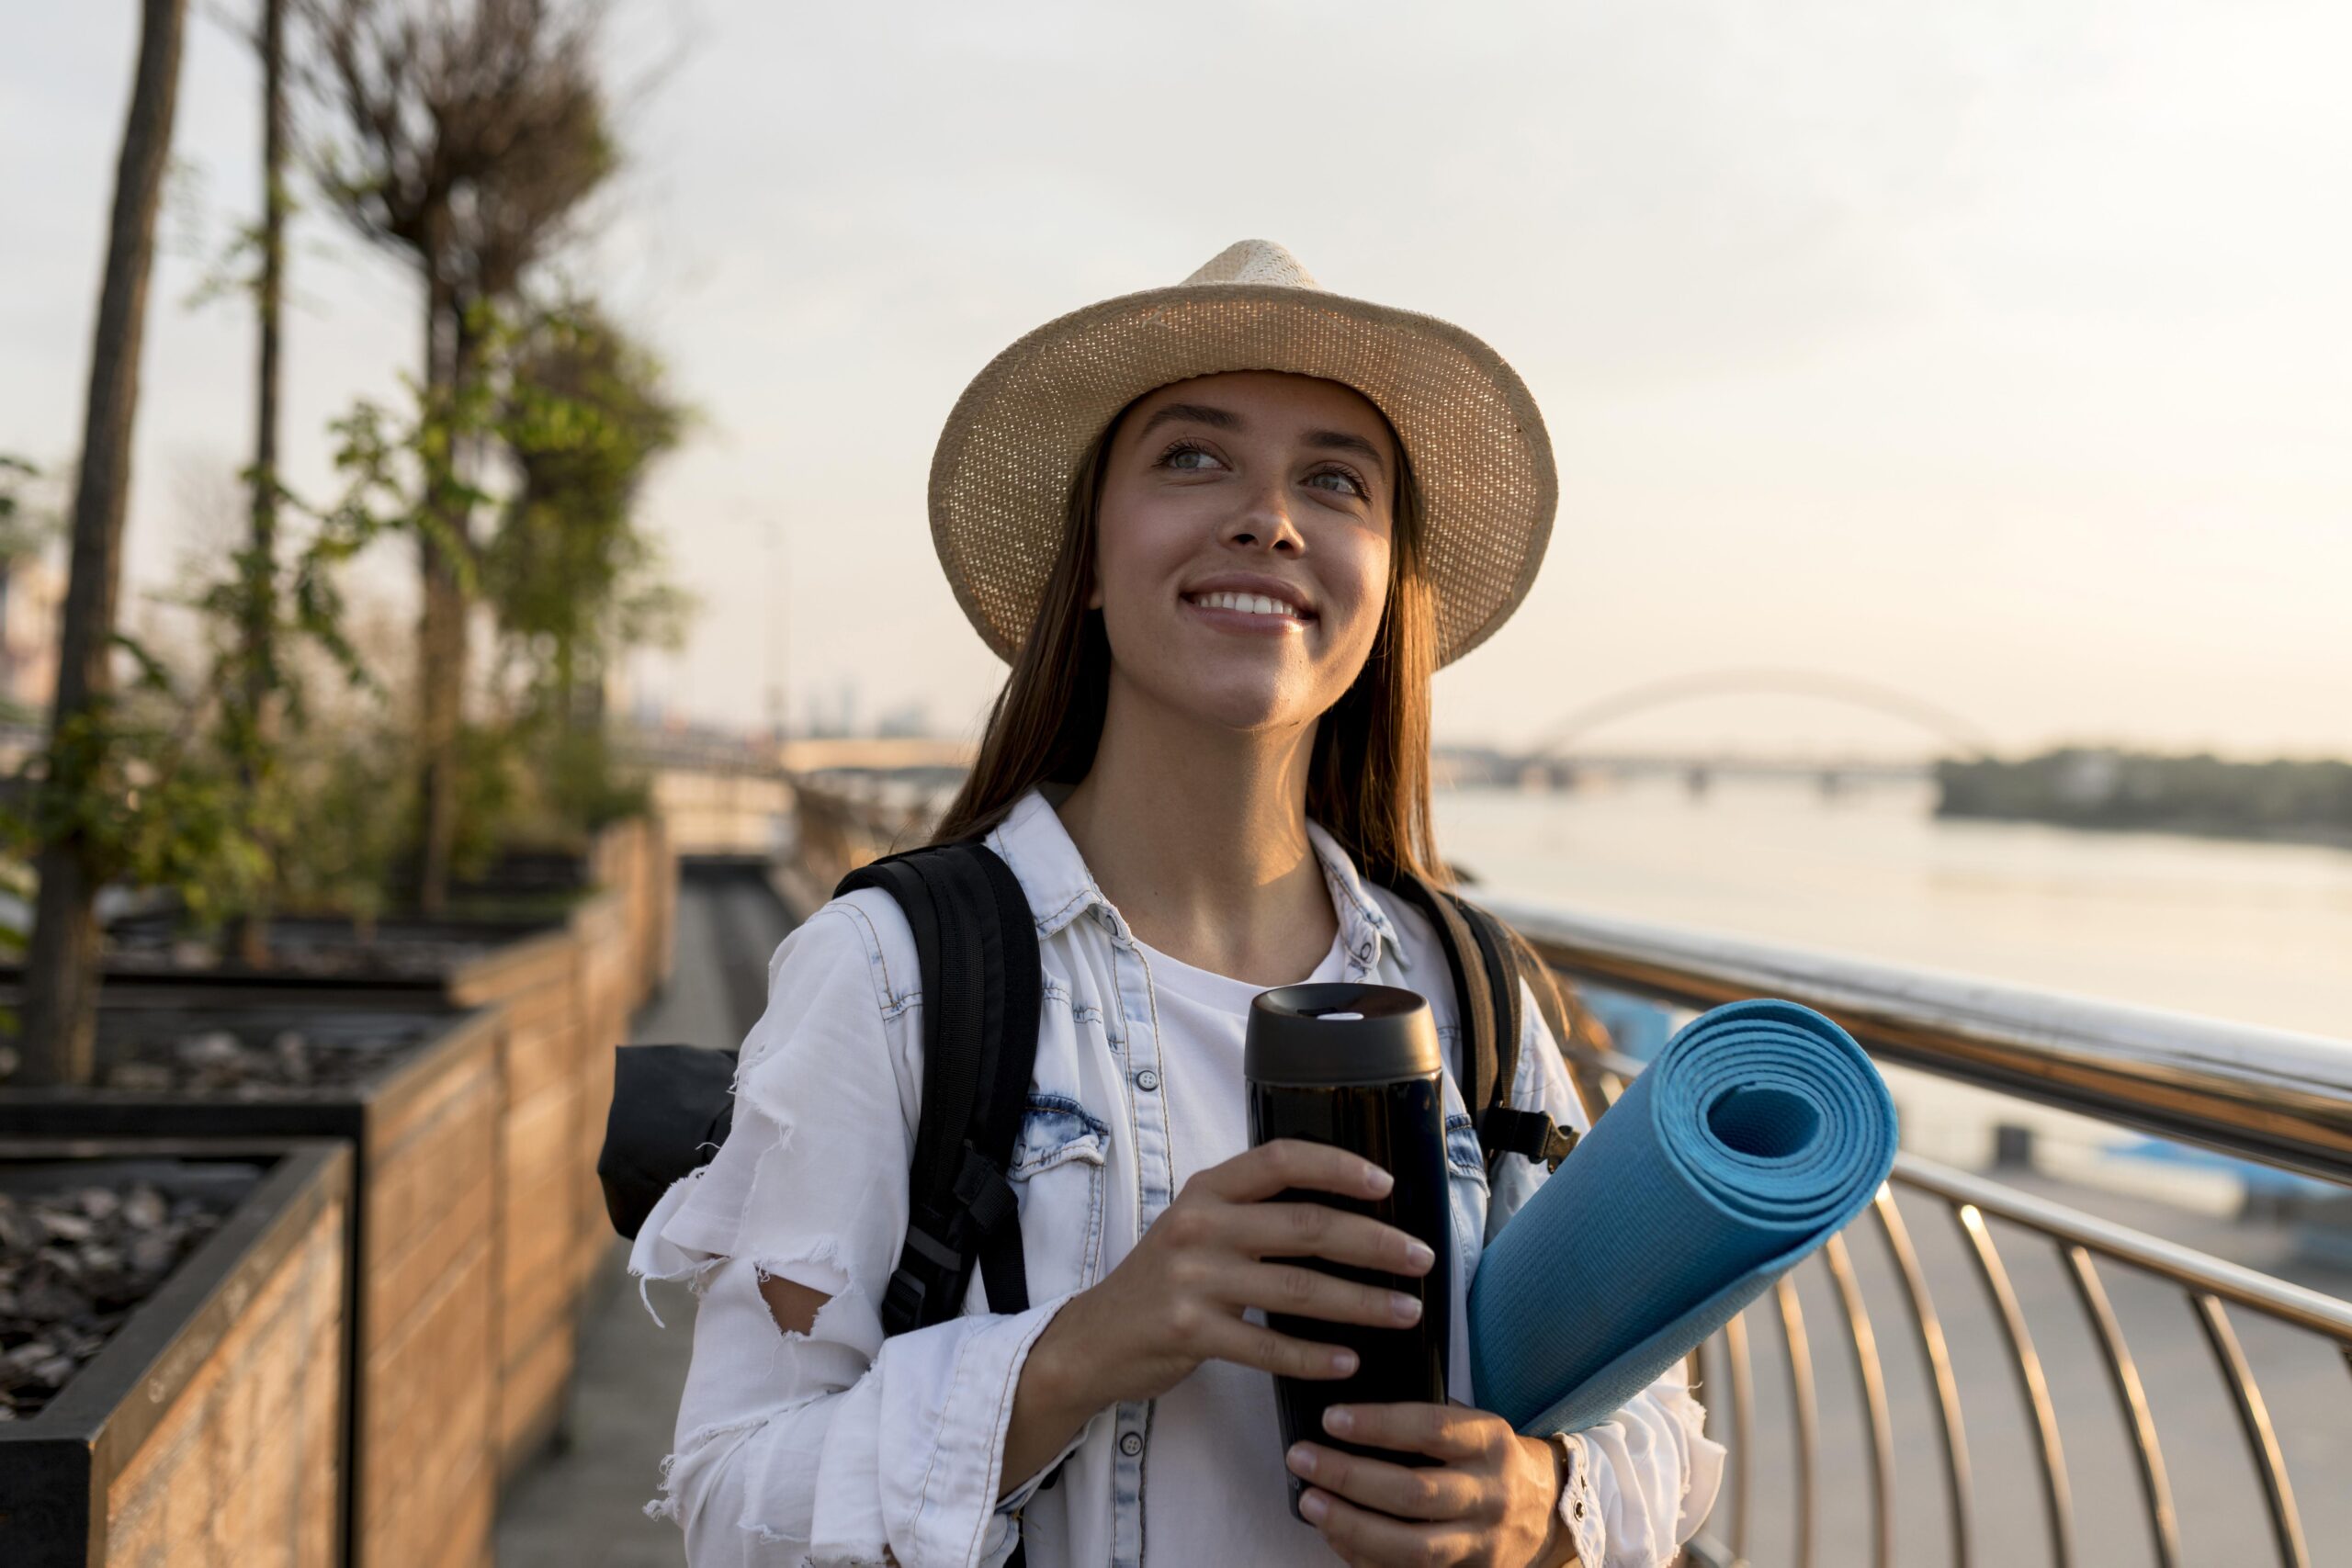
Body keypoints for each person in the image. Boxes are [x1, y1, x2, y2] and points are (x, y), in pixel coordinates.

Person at [633, 240, 1726, 1568]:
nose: (1269, 517)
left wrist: (1535, 1507)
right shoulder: (890, 974)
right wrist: (1084, 1348)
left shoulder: (1472, 988)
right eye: (1193, 459)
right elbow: (732, 1499)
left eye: (1335, 479)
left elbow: (1656, 1425)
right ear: (1087, 562)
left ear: (1386, 592)